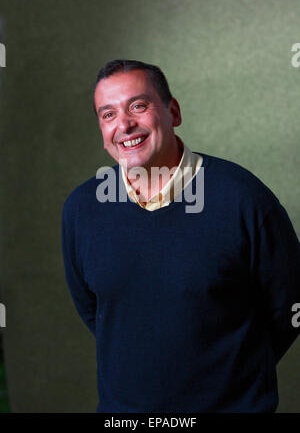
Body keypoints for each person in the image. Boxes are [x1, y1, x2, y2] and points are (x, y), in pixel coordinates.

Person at [61, 59, 300, 413]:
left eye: (137, 106)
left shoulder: (243, 198)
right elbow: (96, 310)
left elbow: (290, 306)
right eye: (108, 114)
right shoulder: (82, 208)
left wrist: (235, 374)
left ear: (173, 111)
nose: (124, 125)